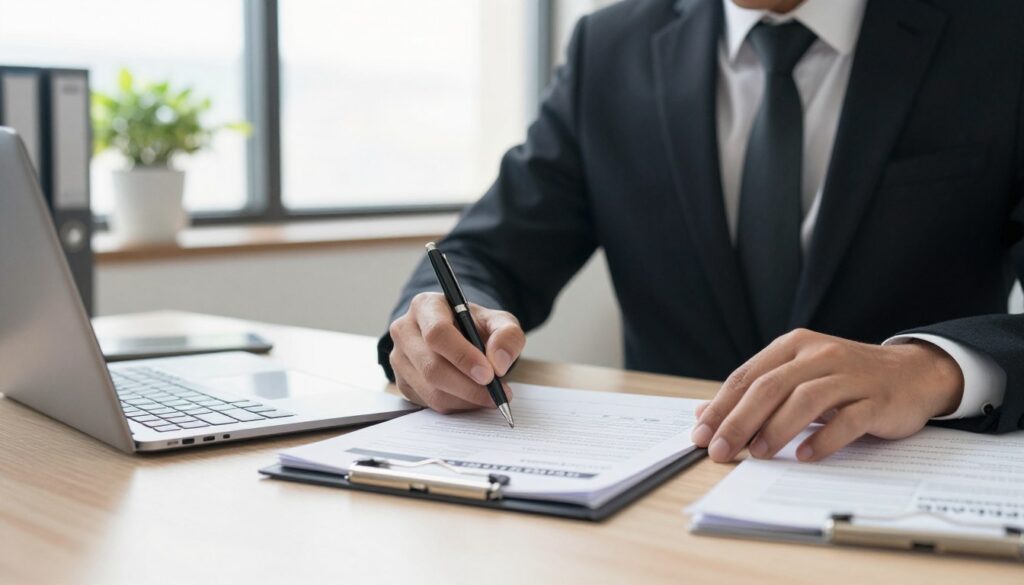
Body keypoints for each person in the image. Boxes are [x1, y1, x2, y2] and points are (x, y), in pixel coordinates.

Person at [379, 0, 1024, 463]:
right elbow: (483, 250)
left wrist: (931, 369)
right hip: (664, 493)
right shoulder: (609, 48)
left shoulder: (1001, 34)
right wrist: (435, 330)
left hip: (894, 480)